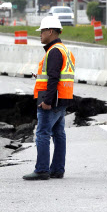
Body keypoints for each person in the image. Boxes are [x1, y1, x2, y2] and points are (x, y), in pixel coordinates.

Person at [23, 16, 75, 181]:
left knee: (42, 133)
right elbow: (54, 75)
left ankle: (42, 170)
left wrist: (47, 101)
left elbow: (53, 78)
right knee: (59, 134)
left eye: (42, 31)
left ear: (50, 31)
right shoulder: (64, 49)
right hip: (63, 98)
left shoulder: (54, 51)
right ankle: (57, 169)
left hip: (51, 100)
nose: (40, 35)